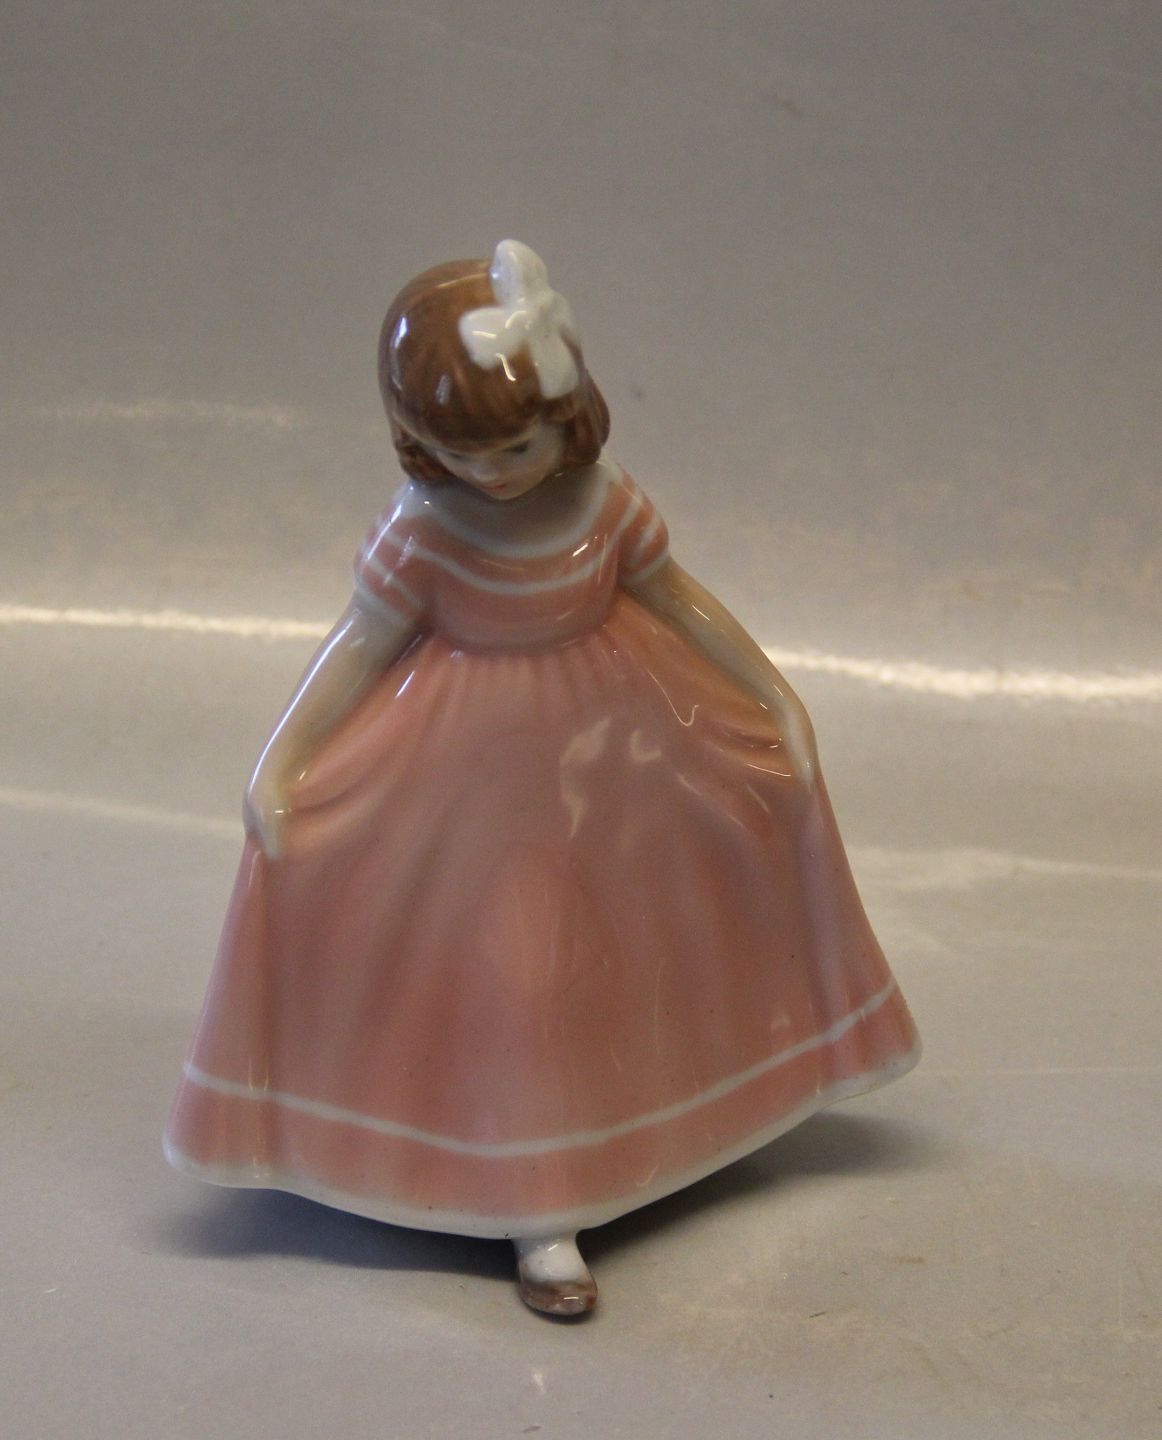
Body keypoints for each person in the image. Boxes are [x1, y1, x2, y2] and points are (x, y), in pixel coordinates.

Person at [165, 240, 920, 1317]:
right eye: (460, 452)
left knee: (645, 934)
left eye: (518, 445)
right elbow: (361, 644)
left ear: (568, 414)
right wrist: (282, 758)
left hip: (621, 749)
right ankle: (538, 1205)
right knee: (517, 972)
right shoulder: (424, 530)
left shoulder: (603, 503)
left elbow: (676, 598)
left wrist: (774, 695)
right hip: (467, 770)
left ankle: (684, 1118)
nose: (495, 473)